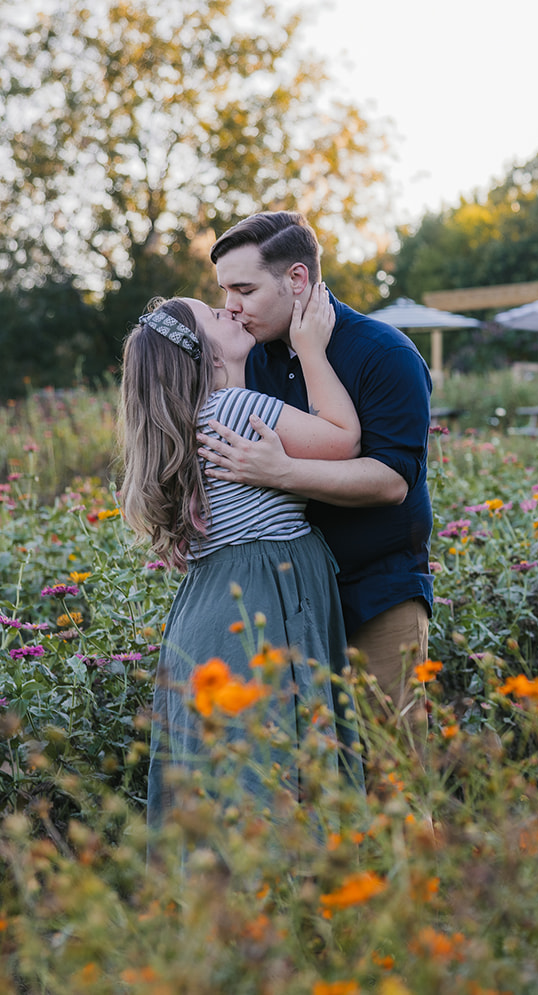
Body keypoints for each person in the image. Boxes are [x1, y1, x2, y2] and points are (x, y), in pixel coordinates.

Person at [119, 287, 364, 829]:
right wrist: (312, 351)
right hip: (256, 598)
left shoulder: (192, 420)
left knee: (226, 770)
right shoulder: (235, 408)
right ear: (203, 354)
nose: (228, 307)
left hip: (208, 610)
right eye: (213, 313)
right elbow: (344, 441)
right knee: (270, 762)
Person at [196, 212, 434, 722]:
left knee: (393, 763)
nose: (230, 308)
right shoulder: (250, 357)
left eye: (243, 289)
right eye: (224, 292)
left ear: (297, 278)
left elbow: (392, 481)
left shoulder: (383, 353)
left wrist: (281, 473)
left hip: (376, 592)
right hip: (285, 599)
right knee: (315, 767)